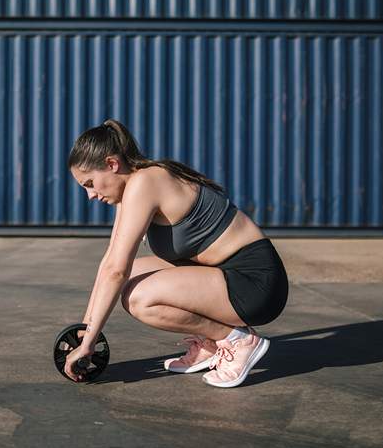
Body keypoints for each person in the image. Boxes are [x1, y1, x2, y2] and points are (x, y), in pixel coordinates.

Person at [64, 119, 289, 388]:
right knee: (133, 272)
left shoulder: (146, 182)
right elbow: (110, 262)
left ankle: (236, 340)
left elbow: (115, 271)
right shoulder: (134, 185)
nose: (90, 195)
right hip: (225, 275)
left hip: (256, 285)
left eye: (90, 183)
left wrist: (89, 343)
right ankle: (211, 344)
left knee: (139, 299)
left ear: (112, 164)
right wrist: (84, 330)